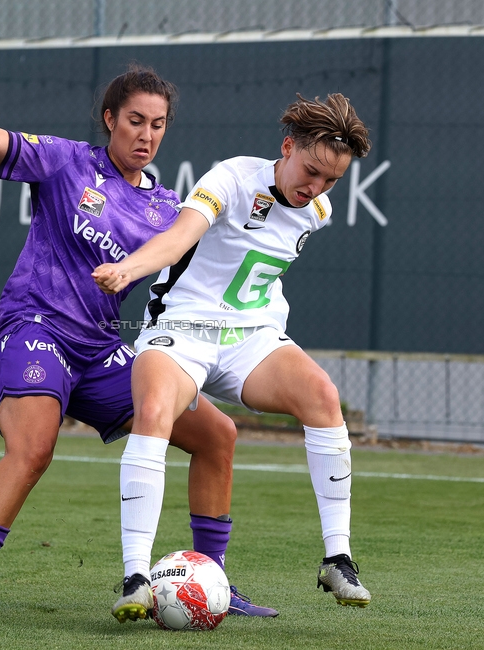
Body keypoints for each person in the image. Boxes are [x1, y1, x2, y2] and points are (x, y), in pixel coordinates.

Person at [0, 25, 277, 623]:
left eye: (158, 124)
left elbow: (218, 251)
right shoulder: (66, 161)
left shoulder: (169, 208)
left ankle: (213, 581)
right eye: (135, 121)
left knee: (217, 435)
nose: (146, 134)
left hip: (100, 348)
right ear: (110, 118)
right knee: (34, 449)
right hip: (36, 326)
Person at [93, 93, 374, 612]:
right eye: (310, 171)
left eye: (330, 180)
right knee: (153, 413)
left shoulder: (318, 210)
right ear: (287, 147)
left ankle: (338, 559)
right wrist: (128, 270)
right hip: (180, 331)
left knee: (322, 394)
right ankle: (135, 576)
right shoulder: (231, 179)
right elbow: (179, 240)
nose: (315, 187)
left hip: (252, 338)